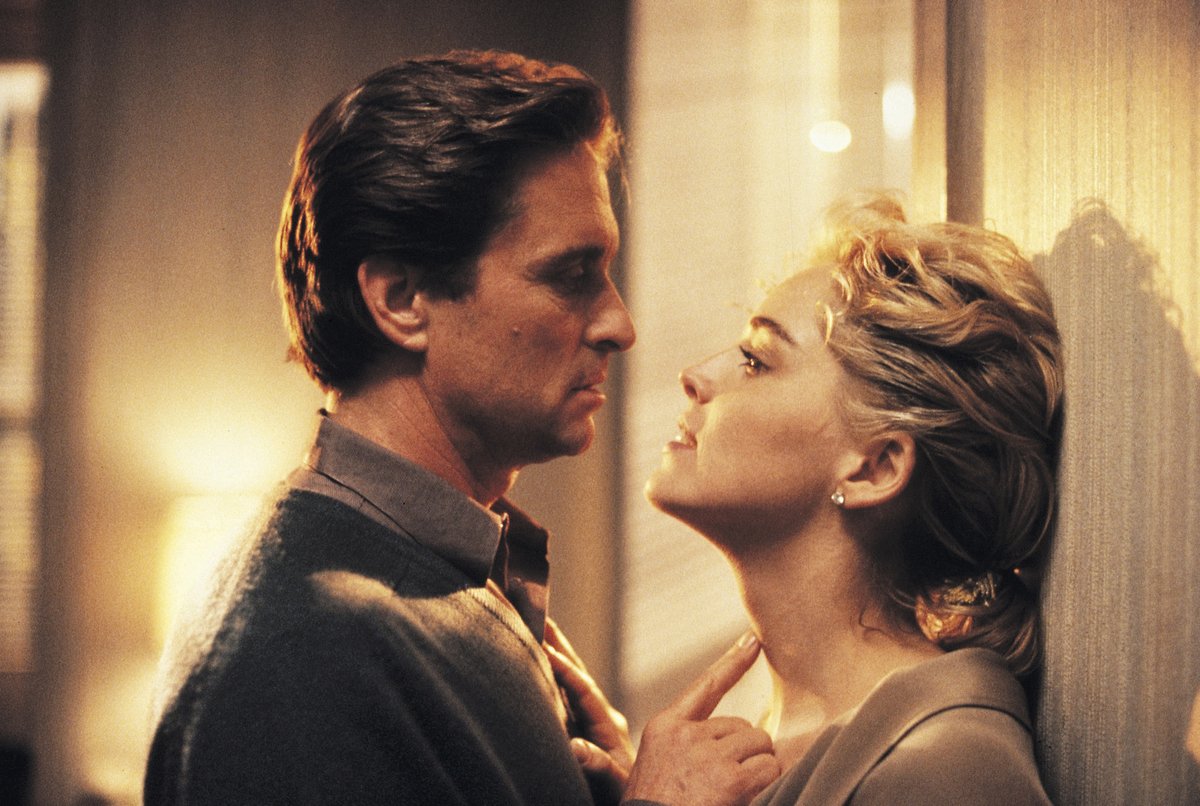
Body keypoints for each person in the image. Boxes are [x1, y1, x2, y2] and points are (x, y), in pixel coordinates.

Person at [143, 50, 777, 805]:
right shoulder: (305, 651)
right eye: (570, 275)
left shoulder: (432, 584)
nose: (619, 324)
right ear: (401, 300)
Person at [643, 194, 1063, 804]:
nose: (695, 375)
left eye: (756, 360)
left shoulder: (947, 770)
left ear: (875, 467)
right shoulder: (782, 741)